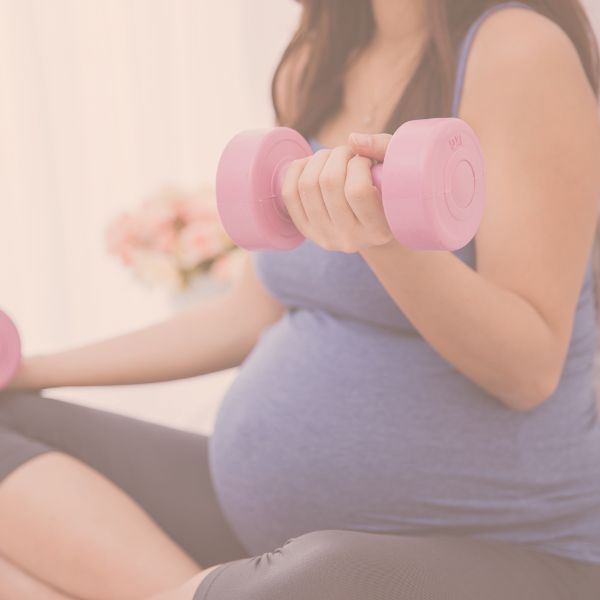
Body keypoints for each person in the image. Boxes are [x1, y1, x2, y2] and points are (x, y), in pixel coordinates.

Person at [2, 0, 600, 598]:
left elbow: (529, 370)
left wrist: (381, 240)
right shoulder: (319, 61)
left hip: (500, 550)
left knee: (323, 572)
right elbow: (247, 314)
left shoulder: (516, 49)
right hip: (272, 535)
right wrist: (30, 371)